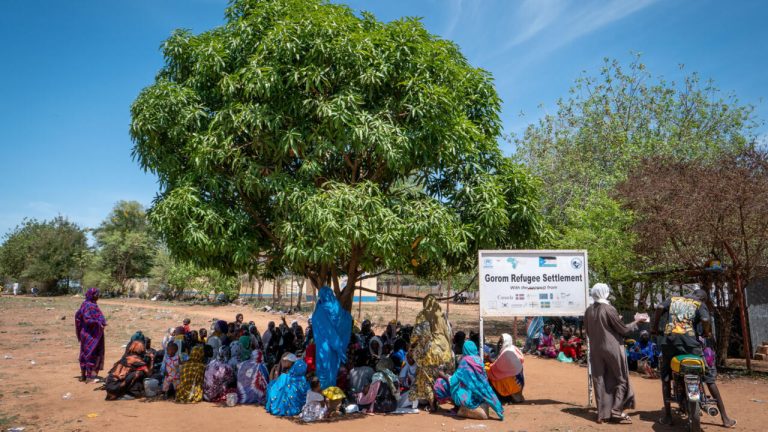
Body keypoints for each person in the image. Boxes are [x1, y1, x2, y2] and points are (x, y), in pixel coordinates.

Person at [652, 289, 736, 428]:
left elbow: (660, 307)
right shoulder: (699, 303)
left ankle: (667, 416)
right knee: (708, 378)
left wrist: (655, 328)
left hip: (669, 343)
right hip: (691, 345)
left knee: (666, 377)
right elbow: (705, 319)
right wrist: (707, 332)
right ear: (702, 298)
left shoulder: (673, 299)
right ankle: (725, 418)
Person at [585, 283, 645, 424]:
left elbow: (590, 330)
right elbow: (623, 330)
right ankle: (616, 410)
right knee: (621, 379)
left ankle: (601, 414)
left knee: (599, 380)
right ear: (605, 293)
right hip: (612, 348)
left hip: (595, 349)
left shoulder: (588, 310)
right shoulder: (609, 308)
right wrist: (637, 321)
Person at [409, 294, 454, 410]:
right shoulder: (443, 316)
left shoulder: (422, 316)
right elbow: (450, 334)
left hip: (430, 352)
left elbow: (416, 335)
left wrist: (411, 347)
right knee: (438, 376)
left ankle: (432, 404)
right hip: (444, 351)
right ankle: (444, 398)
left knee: (426, 377)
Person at [450, 341, 503, 420]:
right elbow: (484, 377)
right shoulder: (479, 360)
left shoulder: (464, 361)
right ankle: (499, 409)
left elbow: (455, 378)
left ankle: (460, 407)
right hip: (481, 395)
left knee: (454, 385)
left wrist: (446, 377)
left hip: (469, 397)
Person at [312, 286, 353, 389]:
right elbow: (346, 319)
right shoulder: (337, 308)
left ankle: (324, 397)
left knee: (324, 371)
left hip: (324, 348)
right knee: (332, 371)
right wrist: (339, 347)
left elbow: (329, 332)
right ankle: (330, 397)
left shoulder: (320, 311)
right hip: (334, 349)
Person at [75, 288, 107, 383]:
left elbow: (78, 316)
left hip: (85, 333)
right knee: (91, 353)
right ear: (92, 295)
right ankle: (89, 376)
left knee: (85, 352)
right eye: (96, 294)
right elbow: (87, 319)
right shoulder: (91, 306)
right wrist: (98, 322)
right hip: (91, 334)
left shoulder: (85, 304)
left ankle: (83, 375)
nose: (98, 296)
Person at [487, 333, 525, 403]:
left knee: (489, 373)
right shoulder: (513, 348)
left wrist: (487, 365)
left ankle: (504, 397)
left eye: (502, 342)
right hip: (519, 382)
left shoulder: (506, 353)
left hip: (514, 386)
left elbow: (495, 368)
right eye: (500, 342)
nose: (500, 344)